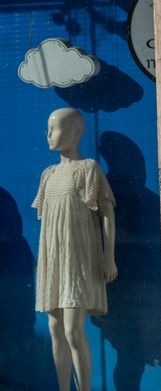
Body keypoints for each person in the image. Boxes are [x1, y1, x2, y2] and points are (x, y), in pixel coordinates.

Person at [34, 108, 117, 391]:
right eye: (48, 129)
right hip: (54, 261)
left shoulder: (88, 169)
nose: (48, 135)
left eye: (54, 129)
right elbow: (47, 221)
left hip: (79, 259)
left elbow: (107, 213)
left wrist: (109, 257)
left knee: (72, 330)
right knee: (55, 329)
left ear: (75, 132)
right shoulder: (48, 175)